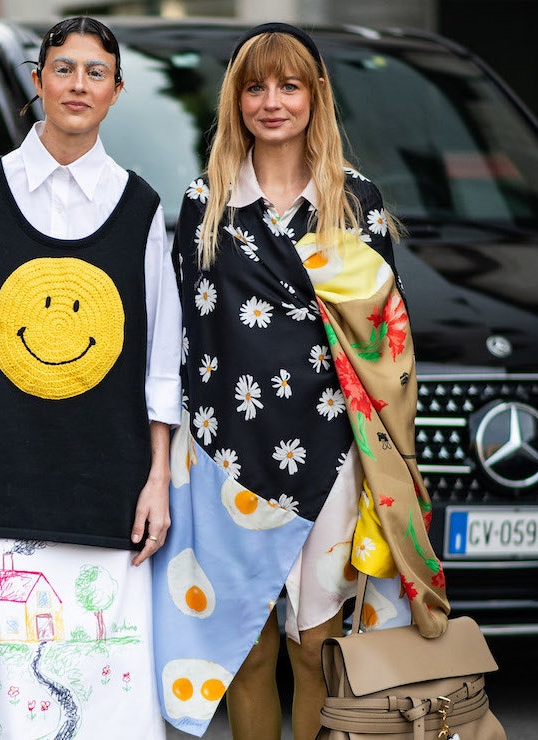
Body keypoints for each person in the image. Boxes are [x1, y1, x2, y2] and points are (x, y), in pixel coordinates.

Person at [149, 22, 450, 740]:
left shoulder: (356, 203)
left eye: (289, 86)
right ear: (236, 99)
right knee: (246, 654)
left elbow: (388, 347)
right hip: (226, 461)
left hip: (331, 457)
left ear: (315, 97)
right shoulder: (205, 202)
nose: (272, 101)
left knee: (315, 649)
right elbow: (182, 338)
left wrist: (395, 470)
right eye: (256, 86)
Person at [0, 16, 182, 740]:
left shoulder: (140, 208)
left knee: (111, 679)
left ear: (116, 91)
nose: (77, 84)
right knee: (14, 686)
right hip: (4, 479)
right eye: (62, 69)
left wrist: (157, 477)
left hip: (113, 487)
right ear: (38, 82)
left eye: (95, 72)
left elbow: (161, 361)